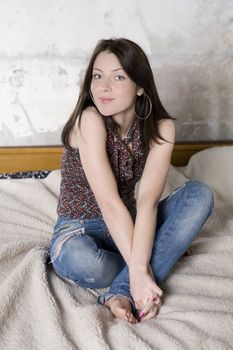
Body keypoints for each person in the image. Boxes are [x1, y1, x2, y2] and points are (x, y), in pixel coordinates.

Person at [49, 38, 214, 324]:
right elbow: (109, 203)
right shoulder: (90, 119)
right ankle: (155, 256)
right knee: (83, 262)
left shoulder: (161, 127)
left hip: (130, 222)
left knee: (200, 195)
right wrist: (140, 267)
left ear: (140, 86)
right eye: (97, 76)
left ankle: (122, 289)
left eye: (118, 77)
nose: (103, 87)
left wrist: (137, 269)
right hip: (78, 230)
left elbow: (147, 201)